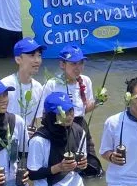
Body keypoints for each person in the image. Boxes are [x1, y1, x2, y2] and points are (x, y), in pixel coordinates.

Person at [26, 92, 89, 186]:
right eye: (62, 112)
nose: (69, 115)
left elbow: (80, 168)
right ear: (51, 116)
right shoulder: (39, 140)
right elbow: (32, 174)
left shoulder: (79, 132)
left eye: (70, 110)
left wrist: (83, 165)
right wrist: (58, 168)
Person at [39, 45, 102, 176]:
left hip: (80, 124)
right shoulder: (52, 84)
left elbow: (85, 110)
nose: (78, 67)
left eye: (81, 63)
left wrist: (98, 101)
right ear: (62, 64)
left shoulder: (86, 81)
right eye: (73, 63)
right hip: (60, 128)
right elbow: (44, 114)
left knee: (92, 167)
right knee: (66, 167)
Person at [4, 37, 45, 132]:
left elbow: (36, 120)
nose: (37, 60)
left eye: (39, 55)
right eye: (32, 55)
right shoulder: (5, 85)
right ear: (18, 59)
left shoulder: (38, 87)